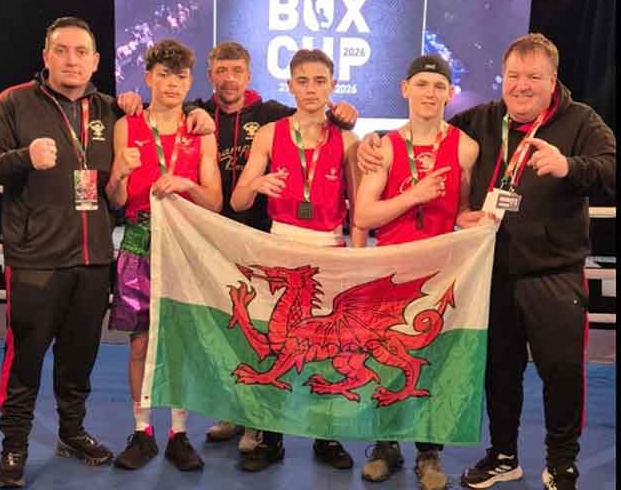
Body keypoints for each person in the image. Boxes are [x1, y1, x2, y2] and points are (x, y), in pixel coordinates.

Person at [358, 34, 616, 490]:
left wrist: (570, 167)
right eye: (513, 76)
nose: (521, 86)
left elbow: (611, 170)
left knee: (561, 371)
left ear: (552, 80)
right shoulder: (481, 120)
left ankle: (561, 463)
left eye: (533, 77)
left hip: (554, 274)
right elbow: (427, 125)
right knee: (499, 371)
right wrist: (368, 143)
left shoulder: (581, 121)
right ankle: (503, 454)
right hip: (492, 272)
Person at [199, 41, 359, 452]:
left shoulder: (348, 140)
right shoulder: (270, 133)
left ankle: (327, 438)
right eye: (302, 81)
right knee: (276, 344)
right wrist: (256, 184)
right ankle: (270, 437)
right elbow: (237, 203)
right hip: (281, 244)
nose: (311, 89)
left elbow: (359, 208)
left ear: (333, 85)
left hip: (330, 247)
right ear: (289, 85)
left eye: (320, 81)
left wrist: (360, 260)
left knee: (330, 346)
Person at [0, 17, 117, 489]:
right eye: (62, 50)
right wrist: (20, 158)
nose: (72, 59)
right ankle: (14, 444)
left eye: (82, 51)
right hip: (35, 260)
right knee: (24, 360)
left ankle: (72, 432)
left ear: (96, 61)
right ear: (46, 56)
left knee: (80, 357)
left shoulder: (111, 111)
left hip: (94, 259)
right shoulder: (15, 102)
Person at [353, 54, 479, 487]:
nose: (430, 94)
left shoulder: (465, 146)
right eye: (422, 85)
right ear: (406, 89)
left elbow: (462, 208)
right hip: (392, 271)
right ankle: (386, 448)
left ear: (449, 93)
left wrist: (469, 218)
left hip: (442, 271)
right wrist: (415, 195)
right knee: (387, 361)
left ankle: (430, 454)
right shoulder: (385, 146)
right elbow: (365, 215)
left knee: (433, 362)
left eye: (438, 86)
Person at [105, 39, 222, 472]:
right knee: (139, 343)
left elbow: (215, 201)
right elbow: (115, 198)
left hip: (185, 248)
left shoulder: (199, 130)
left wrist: (186, 184)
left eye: (181, 76)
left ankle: (178, 434)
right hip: (137, 243)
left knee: (181, 343)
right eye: (165, 74)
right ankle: (142, 431)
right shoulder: (127, 125)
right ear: (149, 77)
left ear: (189, 81)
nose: (173, 84)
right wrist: (120, 173)